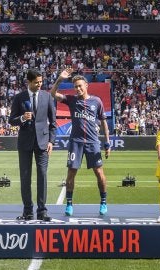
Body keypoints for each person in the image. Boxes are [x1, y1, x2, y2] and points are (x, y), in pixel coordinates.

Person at [51, 68, 111, 216]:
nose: (77, 88)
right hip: (75, 143)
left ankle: (103, 202)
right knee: (71, 173)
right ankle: (69, 204)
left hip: (92, 142)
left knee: (99, 172)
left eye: (80, 86)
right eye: (75, 86)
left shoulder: (96, 101)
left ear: (86, 85)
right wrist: (60, 79)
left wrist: (107, 143)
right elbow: (52, 94)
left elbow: (104, 123)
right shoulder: (71, 100)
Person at [9, 69, 56, 221]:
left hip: (43, 143)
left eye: (41, 82)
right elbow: (11, 120)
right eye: (36, 82)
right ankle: (28, 211)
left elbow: (53, 123)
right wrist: (22, 118)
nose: (39, 85)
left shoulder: (47, 96)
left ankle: (42, 211)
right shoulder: (19, 98)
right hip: (24, 143)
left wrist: (51, 141)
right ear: (28, 82)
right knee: (25, 177)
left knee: (42, 175)